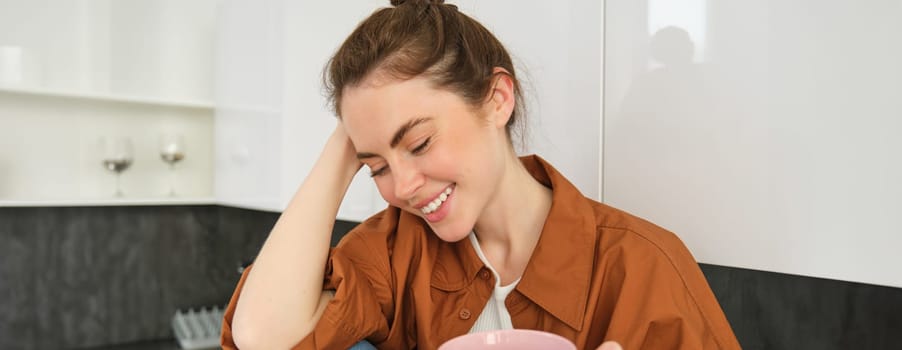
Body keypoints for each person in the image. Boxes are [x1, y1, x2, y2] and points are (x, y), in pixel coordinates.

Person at [220, 0, 741, 349]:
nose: (401, 188)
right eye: (375, 167)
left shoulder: (641, 268)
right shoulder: (398, 250)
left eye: (419, 143)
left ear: (497, 99)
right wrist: (350, 140)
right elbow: (263, 334)